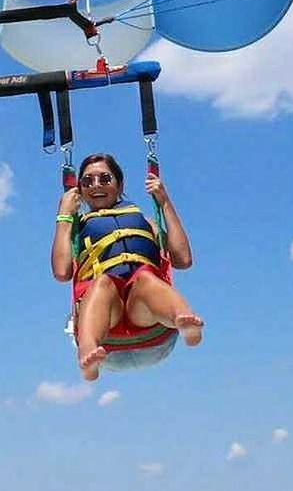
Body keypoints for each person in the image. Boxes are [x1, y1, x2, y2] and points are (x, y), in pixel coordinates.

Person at [51, 152, 203, 381]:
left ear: (120, 185)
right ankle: (88, 350)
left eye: (105, 179)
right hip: (106, 322)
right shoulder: (77, 229)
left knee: (145, 278)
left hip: (146, 315)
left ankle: (184, 320)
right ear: (79, 191)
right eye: (87, 181)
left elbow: (183, 259)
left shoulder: (145, 222)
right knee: (104, 283)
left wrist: (164, 202)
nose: (96, 185)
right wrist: (64, 216)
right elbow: (62, 272)